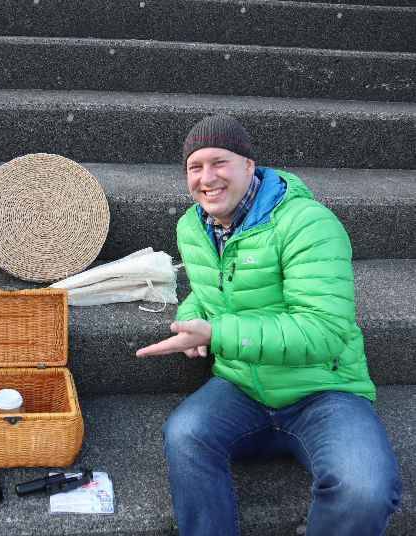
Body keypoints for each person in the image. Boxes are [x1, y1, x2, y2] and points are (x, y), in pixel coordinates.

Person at [136, 115, 402, 535]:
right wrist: (191, 317)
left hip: (324, 391)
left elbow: (324, 331)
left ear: (248, 165)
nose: (207, 178)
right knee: (185, 435)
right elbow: (211, 290)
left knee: (364, 490)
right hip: (242, 386)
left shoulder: (308, 223)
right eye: (195, 167)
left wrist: (217, 334)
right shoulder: (193, 225)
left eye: (219, 162)